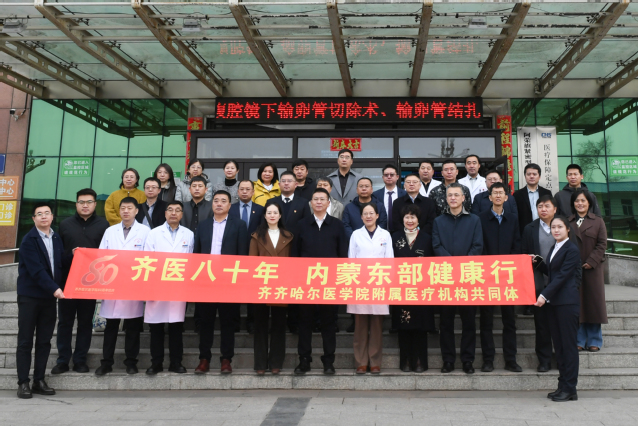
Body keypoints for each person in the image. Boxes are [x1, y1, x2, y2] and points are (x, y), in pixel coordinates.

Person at [53, 189, 109, 375]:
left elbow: (107, 253)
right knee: (65, 323)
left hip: (90, 283)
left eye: (89, 202)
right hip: (68, 281)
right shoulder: (65, 224)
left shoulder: (103, 225)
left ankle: (80, 360)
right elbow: (57, 254)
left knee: (85, 323)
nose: (85, 205)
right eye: (81, 202)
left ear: (95, 204)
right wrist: (71, 254)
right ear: (76, 204)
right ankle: (62, 360)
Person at [294, 188, 348, 375]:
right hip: (306, 282)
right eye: (315, 199)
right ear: (310, 203)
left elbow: (342, 254)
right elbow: (295, 254)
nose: (318, 202)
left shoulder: (337, 225)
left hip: (329, 282)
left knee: (329, 322)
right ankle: (304, 360)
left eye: (322, 199)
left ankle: (328, 361)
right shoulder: (301, 225)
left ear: (328, 203)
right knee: (305, 322)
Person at [193, 190, 248, 375]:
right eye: (216, 200)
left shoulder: (239, 225)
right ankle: (204, 359)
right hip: (206, 280)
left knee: (227, 322)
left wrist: (238, 281)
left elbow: (242, 254)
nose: (219, 204)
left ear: (229, 205)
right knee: (205, 322)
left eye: (223, 201)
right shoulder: (203, 225)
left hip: (228, 281)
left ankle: (226, 359)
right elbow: (197, 254)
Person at [16, 202, 67, 399]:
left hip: (48, 298)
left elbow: (61, 263)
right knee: (25, 341)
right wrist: (55, 288)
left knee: (44, 341)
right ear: (34, 219)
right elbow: (36, 270)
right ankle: (23, 382)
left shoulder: (56, 237)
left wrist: (76, 254)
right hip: (30, 297)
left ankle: (39, 380)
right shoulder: (29, 240)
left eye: (47, 213)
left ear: (52, 217)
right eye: (39, 214)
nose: (44, 216)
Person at [95, 197, 151, 376]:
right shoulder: (110, 231)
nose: (126, 211)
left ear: (136, 211)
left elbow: (149, 257)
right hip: (113, 284)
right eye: (123, 208)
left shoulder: (145, 231)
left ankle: (131, 362)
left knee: (133, 327)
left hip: (133, 285)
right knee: (111, 327)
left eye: (129, 208)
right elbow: (102, 255)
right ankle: (106, 363)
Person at [432, 183, 483, 374]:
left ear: (463, 198)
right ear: (446, 199)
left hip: (468, 277)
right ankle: (448, 360)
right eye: (450, 195)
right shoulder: (438, 221)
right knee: (446, 322)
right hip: (446, 277)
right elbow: (436, 245)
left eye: (456, 195)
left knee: (468, 321)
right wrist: (452, 264)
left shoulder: (474, 220)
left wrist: (462, 266)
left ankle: (467, 360)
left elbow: (478, 246)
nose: (453, 198)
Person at [534, 215, 582, 402]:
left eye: (560, 227)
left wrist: (544, 295)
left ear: (568, 229)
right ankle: (563, 385)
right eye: (553, 227)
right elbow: (553, 272)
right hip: (555, 303)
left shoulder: (572, 249)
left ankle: (570, 388)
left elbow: (562, 276)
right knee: (560, 346)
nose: (556, 230)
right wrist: (538, 262)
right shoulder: (555, 247)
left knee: (568, 347)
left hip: (567, 304)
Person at [143, 201, 193, 375]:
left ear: (182, 215)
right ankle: (156, 363)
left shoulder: (189, 234)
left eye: (178, 210)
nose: (173, 213)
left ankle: (176, 363)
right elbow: (148, 259)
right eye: (170, 210)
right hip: (157, 286)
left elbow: (192, 261)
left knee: (176, 327)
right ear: (165, 213)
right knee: (156, 328)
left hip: (179, 287)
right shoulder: (154, 233)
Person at [477, 183, 523, 373]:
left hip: (507, 276)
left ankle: (511, 360)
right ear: (489, 197)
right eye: (494, 193)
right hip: (487, 276)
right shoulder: (480, 218)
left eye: (500, 193)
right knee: (486, 320)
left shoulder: (512, 218)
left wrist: (507, 266)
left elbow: (517, 244)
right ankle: (488, 359)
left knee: (509, 320)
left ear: (506, 197)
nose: (497, 196)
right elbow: (479, 245)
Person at [348, 203, 394, 374]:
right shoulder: (355, 234)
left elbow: (389, 260)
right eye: (365, 214)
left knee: (376, 326)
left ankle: (374, 362)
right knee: (360, 326)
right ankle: (361, 362)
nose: (368, 216)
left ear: (377, 216)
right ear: (361, 217)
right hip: (360, 284)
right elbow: (351, 260)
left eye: (371, 213)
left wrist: (387, 283)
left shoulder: (385, 235)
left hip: (379, 284)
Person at [249, 201, 294, 375]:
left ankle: (276, 362)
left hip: (281, 286)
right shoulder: (256, 236)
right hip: (261, 285)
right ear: (265, 216)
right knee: (260, 325)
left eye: (275, 212)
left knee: (279, 324)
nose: (272, 215)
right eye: (269, 212)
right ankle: (260, 364)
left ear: (280, 215)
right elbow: (252, 262)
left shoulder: (289, 236)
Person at [392, 204, 434, 372]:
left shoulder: (427, 238)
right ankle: (405, 361)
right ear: (402, 219)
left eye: (413, 217)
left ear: (418, 220)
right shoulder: (395, 237)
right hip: (401, 288)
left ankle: (420, 361)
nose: (410, 220)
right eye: (407, 217)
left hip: (421, 289)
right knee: (404, 325)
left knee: (420, 327)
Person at [521, 195, 558, 372]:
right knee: (542, 325)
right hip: (538, 284)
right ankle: (544, 360)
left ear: (555, 209)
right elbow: (523, 253)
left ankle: (561, 359)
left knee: (560, 325)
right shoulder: (529, 228)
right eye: (540, 206)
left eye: (547, 206)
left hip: (560, 284)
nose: (543, 209)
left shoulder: (563, 226)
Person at [568, 189, 607, 352]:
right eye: (577, 201)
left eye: (583, 200)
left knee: (593, 304)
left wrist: (591, 261)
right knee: (578, 305)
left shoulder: (598, 221)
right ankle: (579, 340)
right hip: (573, 270)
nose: (580, 204)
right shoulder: (567, 222)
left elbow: (602, 244)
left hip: (592, 270)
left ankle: (594, 340)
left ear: (589, 203)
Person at [229, 180, 265, 334]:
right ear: (237, 192)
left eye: (248, 189)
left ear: (253, 192)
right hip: (233, 254)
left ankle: (252, 322)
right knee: (234, 290)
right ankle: (234, 322)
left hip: (254, 254)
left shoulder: (260, 209)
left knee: (252, 290)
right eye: (242, 189)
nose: (244, 192)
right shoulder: (230, 208)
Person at [513, 163, 552, 236]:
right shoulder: (517, 195)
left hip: (545, 231)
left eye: (534, 174)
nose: (531, 176)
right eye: (529, 174)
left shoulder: (546, 193)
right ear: (525, 176)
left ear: (539, 176)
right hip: (524, 232)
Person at [271, 171, 312, 235]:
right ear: (279, 184)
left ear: (296, 184)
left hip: (297, 239)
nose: (286, 183)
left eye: (289, 181)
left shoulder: (303, 203)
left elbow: (307, 224)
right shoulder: (271, 202)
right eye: (283, 181)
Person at [373, 164, 406, 234]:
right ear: (383, 177)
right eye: (386, 175)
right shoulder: (375, 195)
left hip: (400, 231)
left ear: (397, 177)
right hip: (381, 232)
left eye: (392, 175)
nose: (389, 177)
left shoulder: (404, 194)